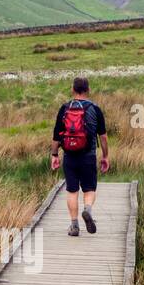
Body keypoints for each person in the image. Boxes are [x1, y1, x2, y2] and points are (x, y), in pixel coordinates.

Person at [49, 77, 110, 236]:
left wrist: (54, 155)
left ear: (73, 89)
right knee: (89, 189)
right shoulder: (95, 109)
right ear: (88, 90)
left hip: (69, 156)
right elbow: (103, 137)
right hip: (88, 156)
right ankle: (87, 210)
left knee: (72, 191)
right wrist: (105, 156)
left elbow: (56, 135)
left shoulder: (64, 108)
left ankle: (74, 226)